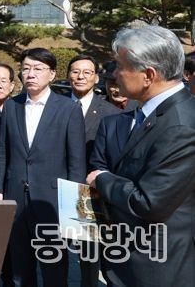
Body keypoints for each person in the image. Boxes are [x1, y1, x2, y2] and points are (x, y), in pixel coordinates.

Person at [87, 26, 195, 287]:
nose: (114, 74)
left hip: (158, 268)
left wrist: (102, 179)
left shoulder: (180, 125)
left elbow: (150, 202)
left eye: (119, 66)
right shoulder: (155, 114)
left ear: (148, 75)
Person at [0, 47, 86, 287]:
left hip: (51, 201)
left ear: (52, 74)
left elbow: (76, 162)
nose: (31, 74)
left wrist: (75, 208)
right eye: (26, 69)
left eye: (37, 68)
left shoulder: (68, 108)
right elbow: (3, 152)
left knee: (54, 268)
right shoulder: (11, 106)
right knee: (20, 268)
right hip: (16, 197)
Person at [66, 55, 120, 287]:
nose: (80, 77)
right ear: (68, 75)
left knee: (91, 254)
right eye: (75, 71)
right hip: (58, 186)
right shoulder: (55, 106)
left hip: (91, 191)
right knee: (52, 251)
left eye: (87, 72)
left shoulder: (110, 113)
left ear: (96, 78)